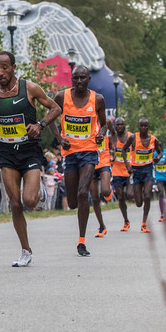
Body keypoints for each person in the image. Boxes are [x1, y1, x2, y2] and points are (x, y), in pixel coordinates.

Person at [0, 50, 61, 267]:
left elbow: (56, 107)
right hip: (6, 151)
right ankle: (25, 250)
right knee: (15, 204)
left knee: (30, 201)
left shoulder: (30, 88)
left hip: (29, 150)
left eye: (5, 67)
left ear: (14, 67)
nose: (0, 72)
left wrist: (40, 125)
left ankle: (39, 192)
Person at [50, 65, 107, 257]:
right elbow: (50, 118)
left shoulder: (97, 99)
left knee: (84, 192)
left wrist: (100, 134)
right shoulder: (61, 97)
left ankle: (81, 241)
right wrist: (59, 139)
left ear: (89, 79)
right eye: (76, 78)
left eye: (83, 78)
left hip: (89, 151)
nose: (79, 81)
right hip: (70, 153)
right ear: (72, 80)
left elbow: (104, 124)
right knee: (73, 201)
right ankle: (79, 209)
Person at [120, 118, 163, 233]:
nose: (143, 128)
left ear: (148, 127)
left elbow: (160, 151)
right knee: (139, 203)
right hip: (136, 171)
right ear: (138, 127)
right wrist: (127, 166)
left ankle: (144, 223)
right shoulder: (133, 138)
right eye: (141, 126)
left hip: (148, 169)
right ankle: (140, 200)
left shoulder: (153, 139)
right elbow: (123, 150)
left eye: (146, 126)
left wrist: (158, 157)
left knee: (147, 195)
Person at [90, 119, 115, 238]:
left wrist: (113, 148)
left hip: (104, 160)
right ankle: (101, 226)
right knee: (95, 199)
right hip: (89, 161)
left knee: (105, 191)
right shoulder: (85, 119)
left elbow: (113, 134)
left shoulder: (106, 121)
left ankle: (109, 188)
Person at [109, 117, 133, 231]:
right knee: (121, 197)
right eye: (117, 124)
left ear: (125, 125)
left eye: (121, 124)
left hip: (129, 170)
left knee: (129, 194)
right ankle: (126, 220)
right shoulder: (112, 138)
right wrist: (111, 154)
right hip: (117, 170)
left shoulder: (131, 137)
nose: (119, 126)